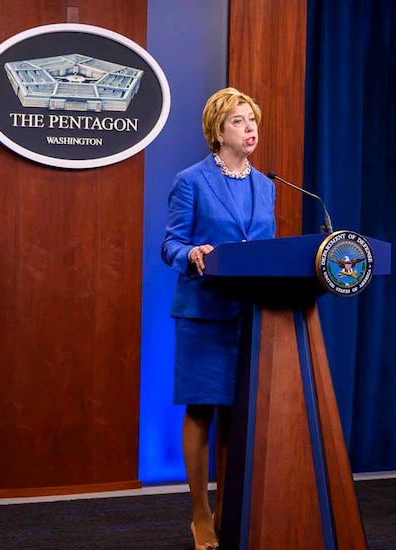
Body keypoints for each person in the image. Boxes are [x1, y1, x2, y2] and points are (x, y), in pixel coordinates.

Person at [161, 87, 276, 550]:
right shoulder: (190, 180)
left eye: (252, 121)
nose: (249, 129)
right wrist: (192, 252)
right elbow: (169, 244)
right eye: (238, 122)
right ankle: (200, 513)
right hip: (205, 314)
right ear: (217, 131)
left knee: (239, 416)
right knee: (202, 410)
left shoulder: (267, 185)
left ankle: (233, 508)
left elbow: (268, 248)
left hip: (251, 314)